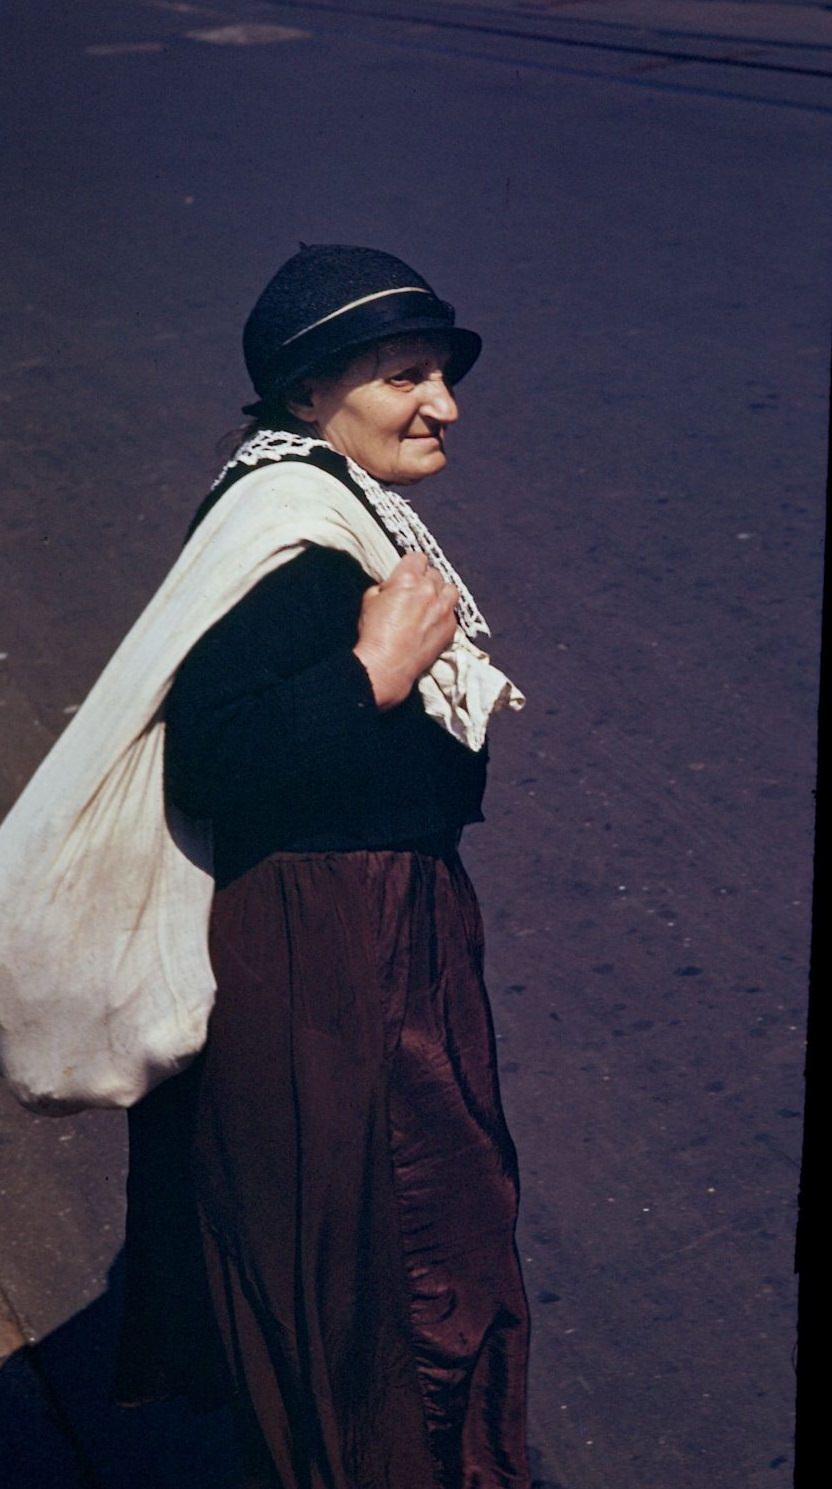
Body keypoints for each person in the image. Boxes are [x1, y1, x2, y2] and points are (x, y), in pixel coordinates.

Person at [110, 245, 531, 1489]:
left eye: (441, 373)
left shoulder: (320, 501)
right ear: (307, 396)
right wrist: (372, 675)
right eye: (404, 375)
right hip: (339, 961)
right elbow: (218, 766)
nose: (443, 403)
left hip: (373, 938)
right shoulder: (288, 537)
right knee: (401, 1273)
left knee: (399, 1261)